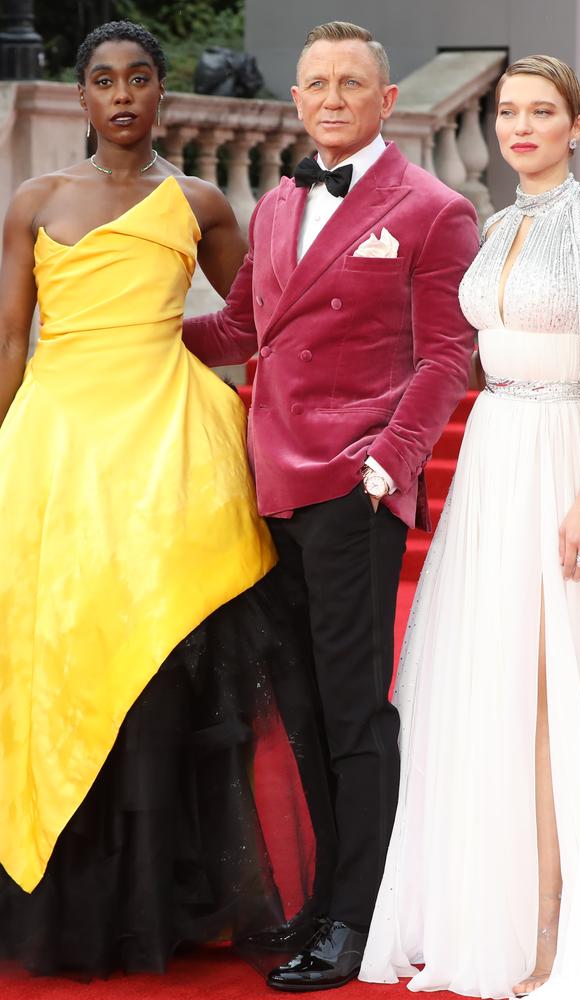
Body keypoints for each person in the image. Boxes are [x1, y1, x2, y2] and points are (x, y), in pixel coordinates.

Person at [0, 19, 334, 978]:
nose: (122, 95)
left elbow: (257, 324)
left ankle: (171, 893)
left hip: (167, 459)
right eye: (103, 80)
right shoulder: (34, 200)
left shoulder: (198, 202)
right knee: (57, 653)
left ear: (160, 94)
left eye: (139, 78)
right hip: (57, 454)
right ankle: (60, 889)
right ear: (82, 97)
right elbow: (12, 344)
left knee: (157, 665)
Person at [182, 19, 478, 992]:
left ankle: (356, 913)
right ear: (297, 101)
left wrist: (389, 461)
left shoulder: (431, 209)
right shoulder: (272, 204)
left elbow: (444, 356)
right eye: (315, 83)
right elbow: (240, 325)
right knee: (301, 707)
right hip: (268, 489)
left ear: (386, 101)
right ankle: (327, 899)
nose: (333, 97)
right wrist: (130, 334)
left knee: (354, 713)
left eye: (352, 82)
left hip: (356, 488)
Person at [360, 55, 580, 999]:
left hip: (567, 454)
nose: (519, 127)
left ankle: (557, 929)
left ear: (576, 124)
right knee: (487, 681)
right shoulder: (494, 224)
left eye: (540, 112)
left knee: (548, 694)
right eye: (507, 112)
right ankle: (489, 905)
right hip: (494, 454)